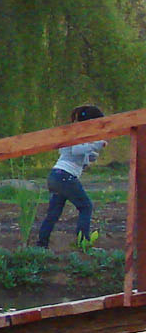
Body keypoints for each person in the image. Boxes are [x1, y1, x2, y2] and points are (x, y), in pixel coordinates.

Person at [36, 105, 108, 249]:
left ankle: (41, 246)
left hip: (56, 176)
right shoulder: (77, 133)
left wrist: (91, 155)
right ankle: (83, 243)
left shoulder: (70, 133)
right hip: (65, 176)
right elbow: (76, 150)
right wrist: (96, 145)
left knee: (53, 214)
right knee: (86, 207)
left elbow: (71, 153)